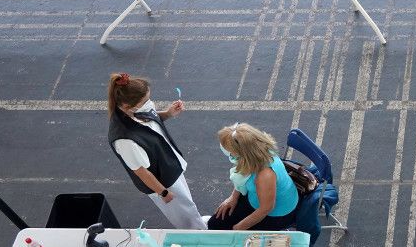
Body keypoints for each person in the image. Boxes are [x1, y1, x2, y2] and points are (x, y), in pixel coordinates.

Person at [106, 72, 206, 229]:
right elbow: (141, 172)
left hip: (169, 166)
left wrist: (167, 114)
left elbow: (148, 119)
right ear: (127, 106)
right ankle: (198, 231)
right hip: (163, 182)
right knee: (183, 215)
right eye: (145, 101)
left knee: (187, 204)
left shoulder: (133, 110)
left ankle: (198, 223)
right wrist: (163, 193)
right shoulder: (124, 140)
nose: (150, 103)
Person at [207, 122, 304, 231]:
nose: (229, 154)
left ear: (242, 153)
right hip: (256, 199)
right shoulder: (255, 153)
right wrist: (233, 197)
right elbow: (243, 173)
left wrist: (238, 228)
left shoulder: (265, 175)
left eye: (230, 152)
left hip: (275, 213)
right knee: (215, 224)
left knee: (222, 229)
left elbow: (266, 208)